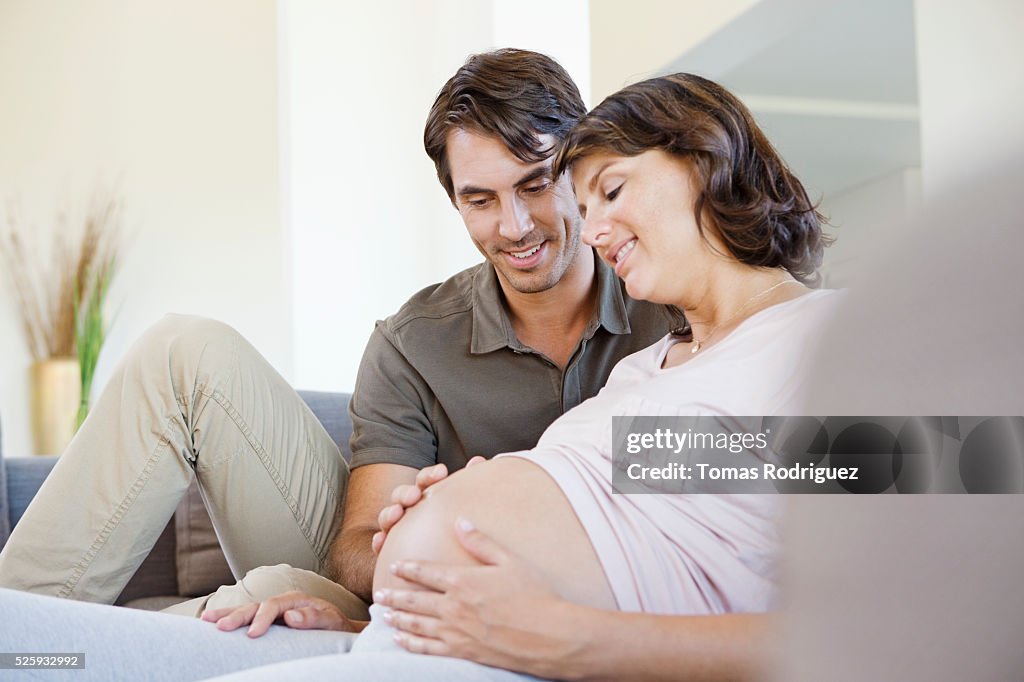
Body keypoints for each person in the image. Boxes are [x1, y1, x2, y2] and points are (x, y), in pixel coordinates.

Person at [0, 72, 839, 682]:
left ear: (704, 160)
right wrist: (406, 539)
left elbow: (909, 573)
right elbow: (667, 488)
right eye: (481, 200)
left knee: (60, 657)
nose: (593, 224)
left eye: (602, 189)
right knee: (46, 654)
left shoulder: (818, 341)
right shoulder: (658, 369)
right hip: (405, 628)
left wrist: (567, 632)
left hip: (498, 645)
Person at [0, 50, 669, 620]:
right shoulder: (413, 343)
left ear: (582, 169)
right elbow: (351, 554)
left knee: (264, 598)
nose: (516, 226)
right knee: (184, 352)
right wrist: (416, 530)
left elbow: (764, 473)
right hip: (413, 589)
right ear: (456, 201)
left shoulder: (672, 301)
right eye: (481, 200)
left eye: (537, 182)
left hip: (600, 586)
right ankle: (22, 630)